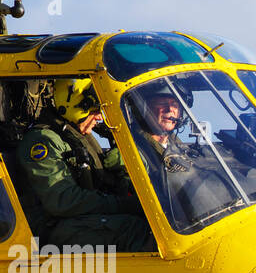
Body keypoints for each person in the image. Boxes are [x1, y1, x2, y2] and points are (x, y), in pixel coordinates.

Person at [16, 78, 154, 252]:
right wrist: (122, 204)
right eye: (95, 109)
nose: (99, 116)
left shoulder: (80, 136)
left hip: (79, 220)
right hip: (53, 229)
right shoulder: (43, 141)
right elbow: (62, 201)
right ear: (73, 104)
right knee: (134, 230)